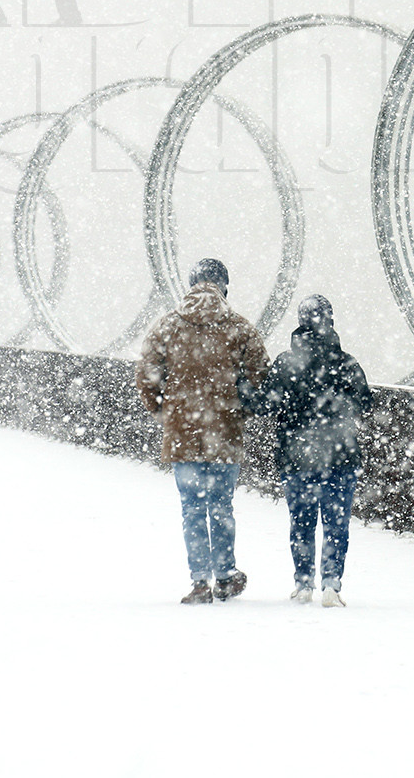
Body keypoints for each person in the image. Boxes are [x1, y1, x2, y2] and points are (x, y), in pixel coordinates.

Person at [136, 258, 269, 605]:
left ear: (191, 285)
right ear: (224, 287)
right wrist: (241, 410)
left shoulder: (166, 326)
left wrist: (165, 411)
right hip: (224, 433)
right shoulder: (240, 328)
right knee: (221, 505)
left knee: (192, 508)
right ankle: (225, 575)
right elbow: (260, 377)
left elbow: (146, 372)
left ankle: (199, 581)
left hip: (182, 434)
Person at [244, 294, 372, 607]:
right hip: (340, 456)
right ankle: (331, 584)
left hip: (296, 457)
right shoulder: (347, 362)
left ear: (301, 322)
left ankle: (303, 584)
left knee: (301, 521)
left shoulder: (287, 363)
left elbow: (265, 404)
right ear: (330, 320)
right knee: (336, 524)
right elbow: (366, 404)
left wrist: (241, 386)